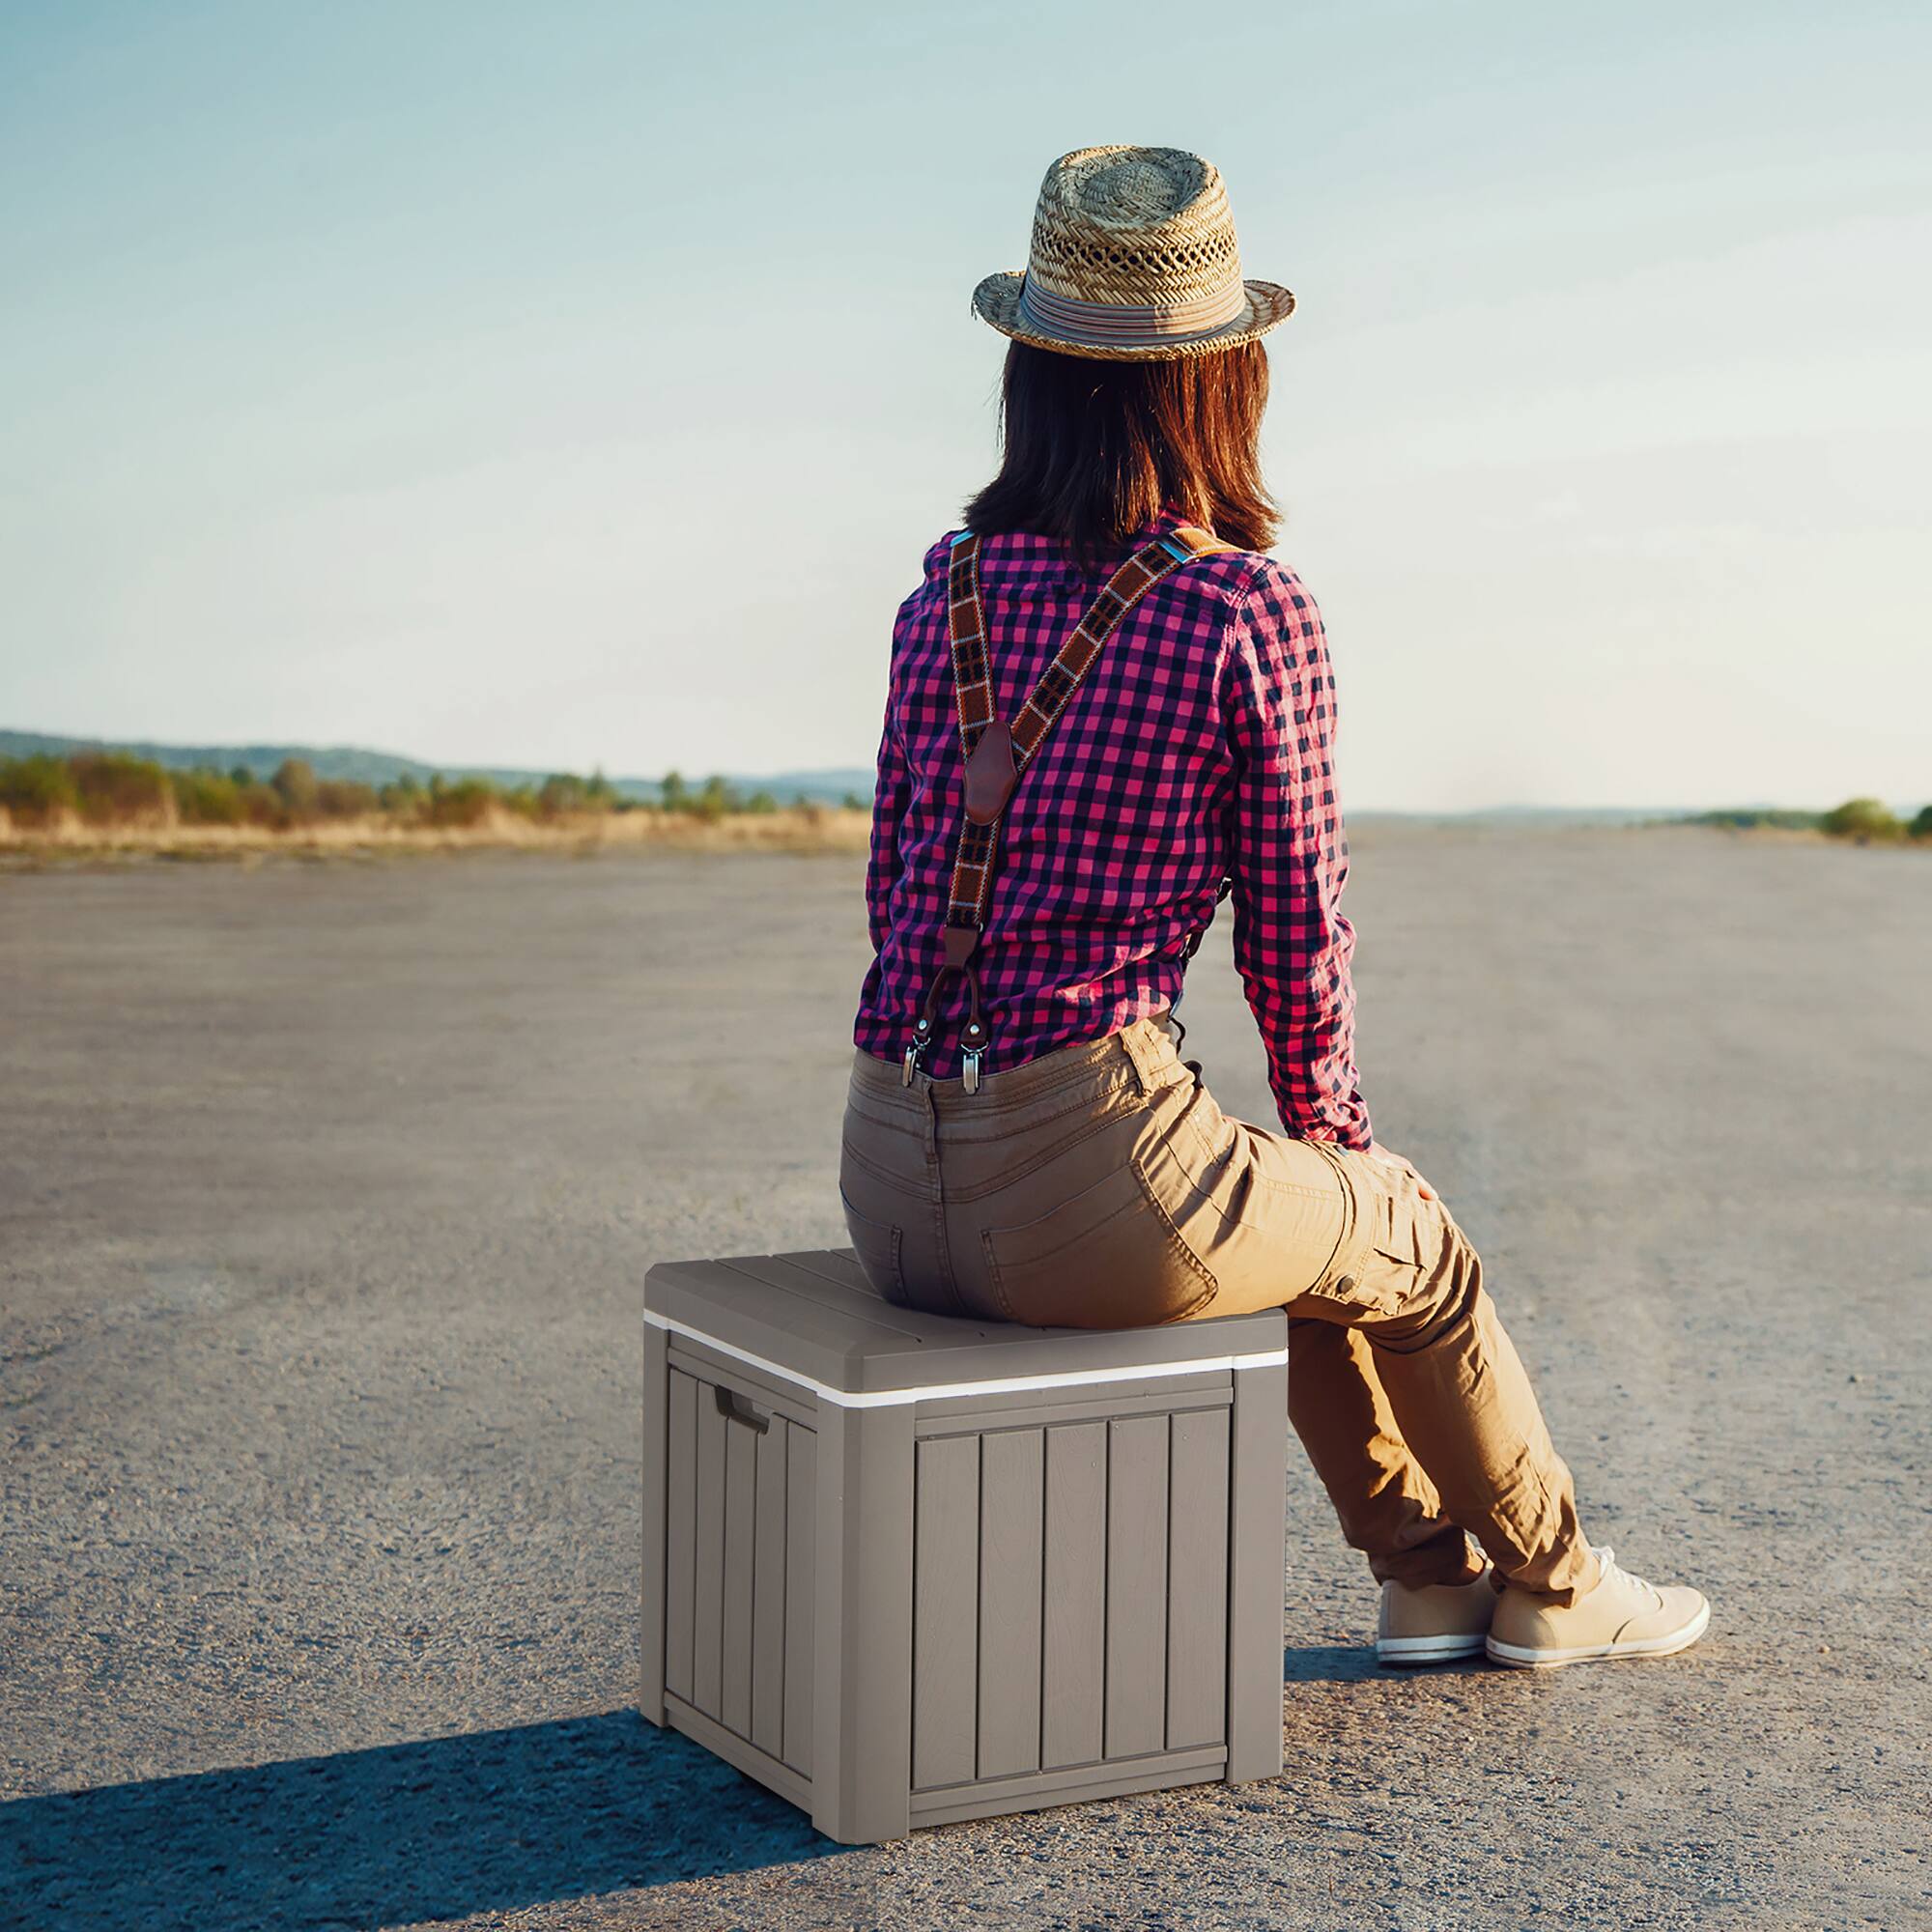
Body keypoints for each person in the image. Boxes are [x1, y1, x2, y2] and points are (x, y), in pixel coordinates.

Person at [839, 145, 1707, 1671]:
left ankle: (1429, 1584)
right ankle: (1562, 1589)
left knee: (1306, 1219)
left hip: (892, 1178)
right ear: (1221, 381)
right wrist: (1343, 1138)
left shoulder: (941, 599)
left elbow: (893, 888)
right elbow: (1299, 935)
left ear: (1030, 378)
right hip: (1085, 1195)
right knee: (1402, 1236)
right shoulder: (1239, 607)